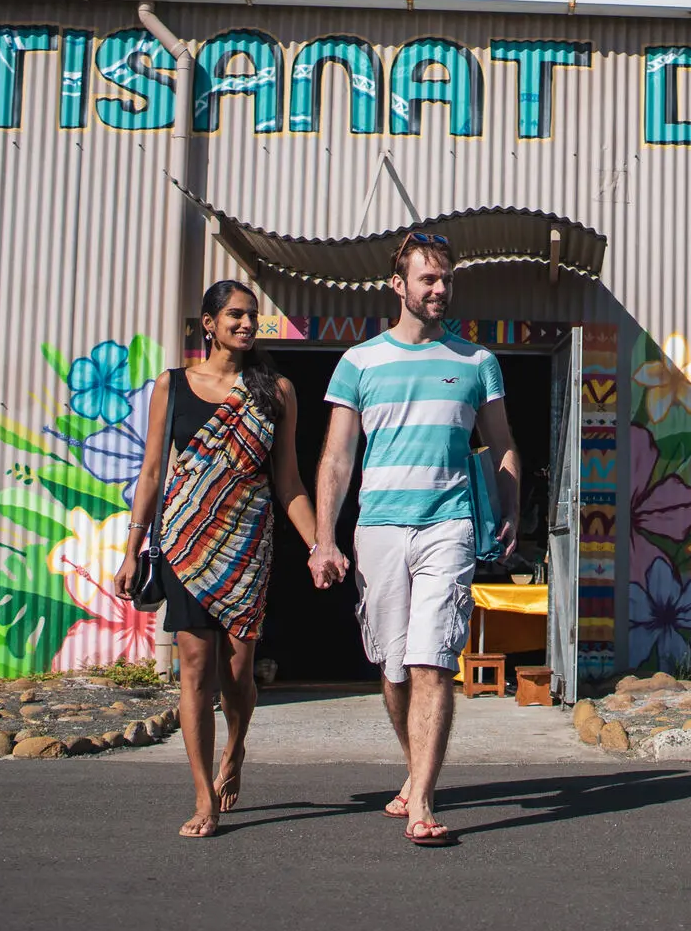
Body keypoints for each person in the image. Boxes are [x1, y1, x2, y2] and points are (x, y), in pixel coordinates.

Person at [309, 231, 518, 848]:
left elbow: (503, 444)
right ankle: (412, 769)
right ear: (397, 286)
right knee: (394, 666)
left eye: (446, 279)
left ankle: (423, 799)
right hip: (377, 528)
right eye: (428, 279)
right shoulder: (360, 362)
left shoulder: (477, 361)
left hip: (448, 525)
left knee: (434, 659)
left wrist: (509, 510)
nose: (440, 289)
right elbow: (337, 458)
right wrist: (325, 538)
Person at [117, 280, 320, 839]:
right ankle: (204, 795)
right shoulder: (173, 386)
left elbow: (288, 480)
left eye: (252, 316)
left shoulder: (275, 390)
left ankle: (237, 748)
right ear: (208, 323)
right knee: (196, 672)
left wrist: (319, 544)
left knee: (236, 676)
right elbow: (153, 472)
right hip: (184, 545)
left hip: (246, 547)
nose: (246, 324)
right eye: (235, 315)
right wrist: (134, 547)